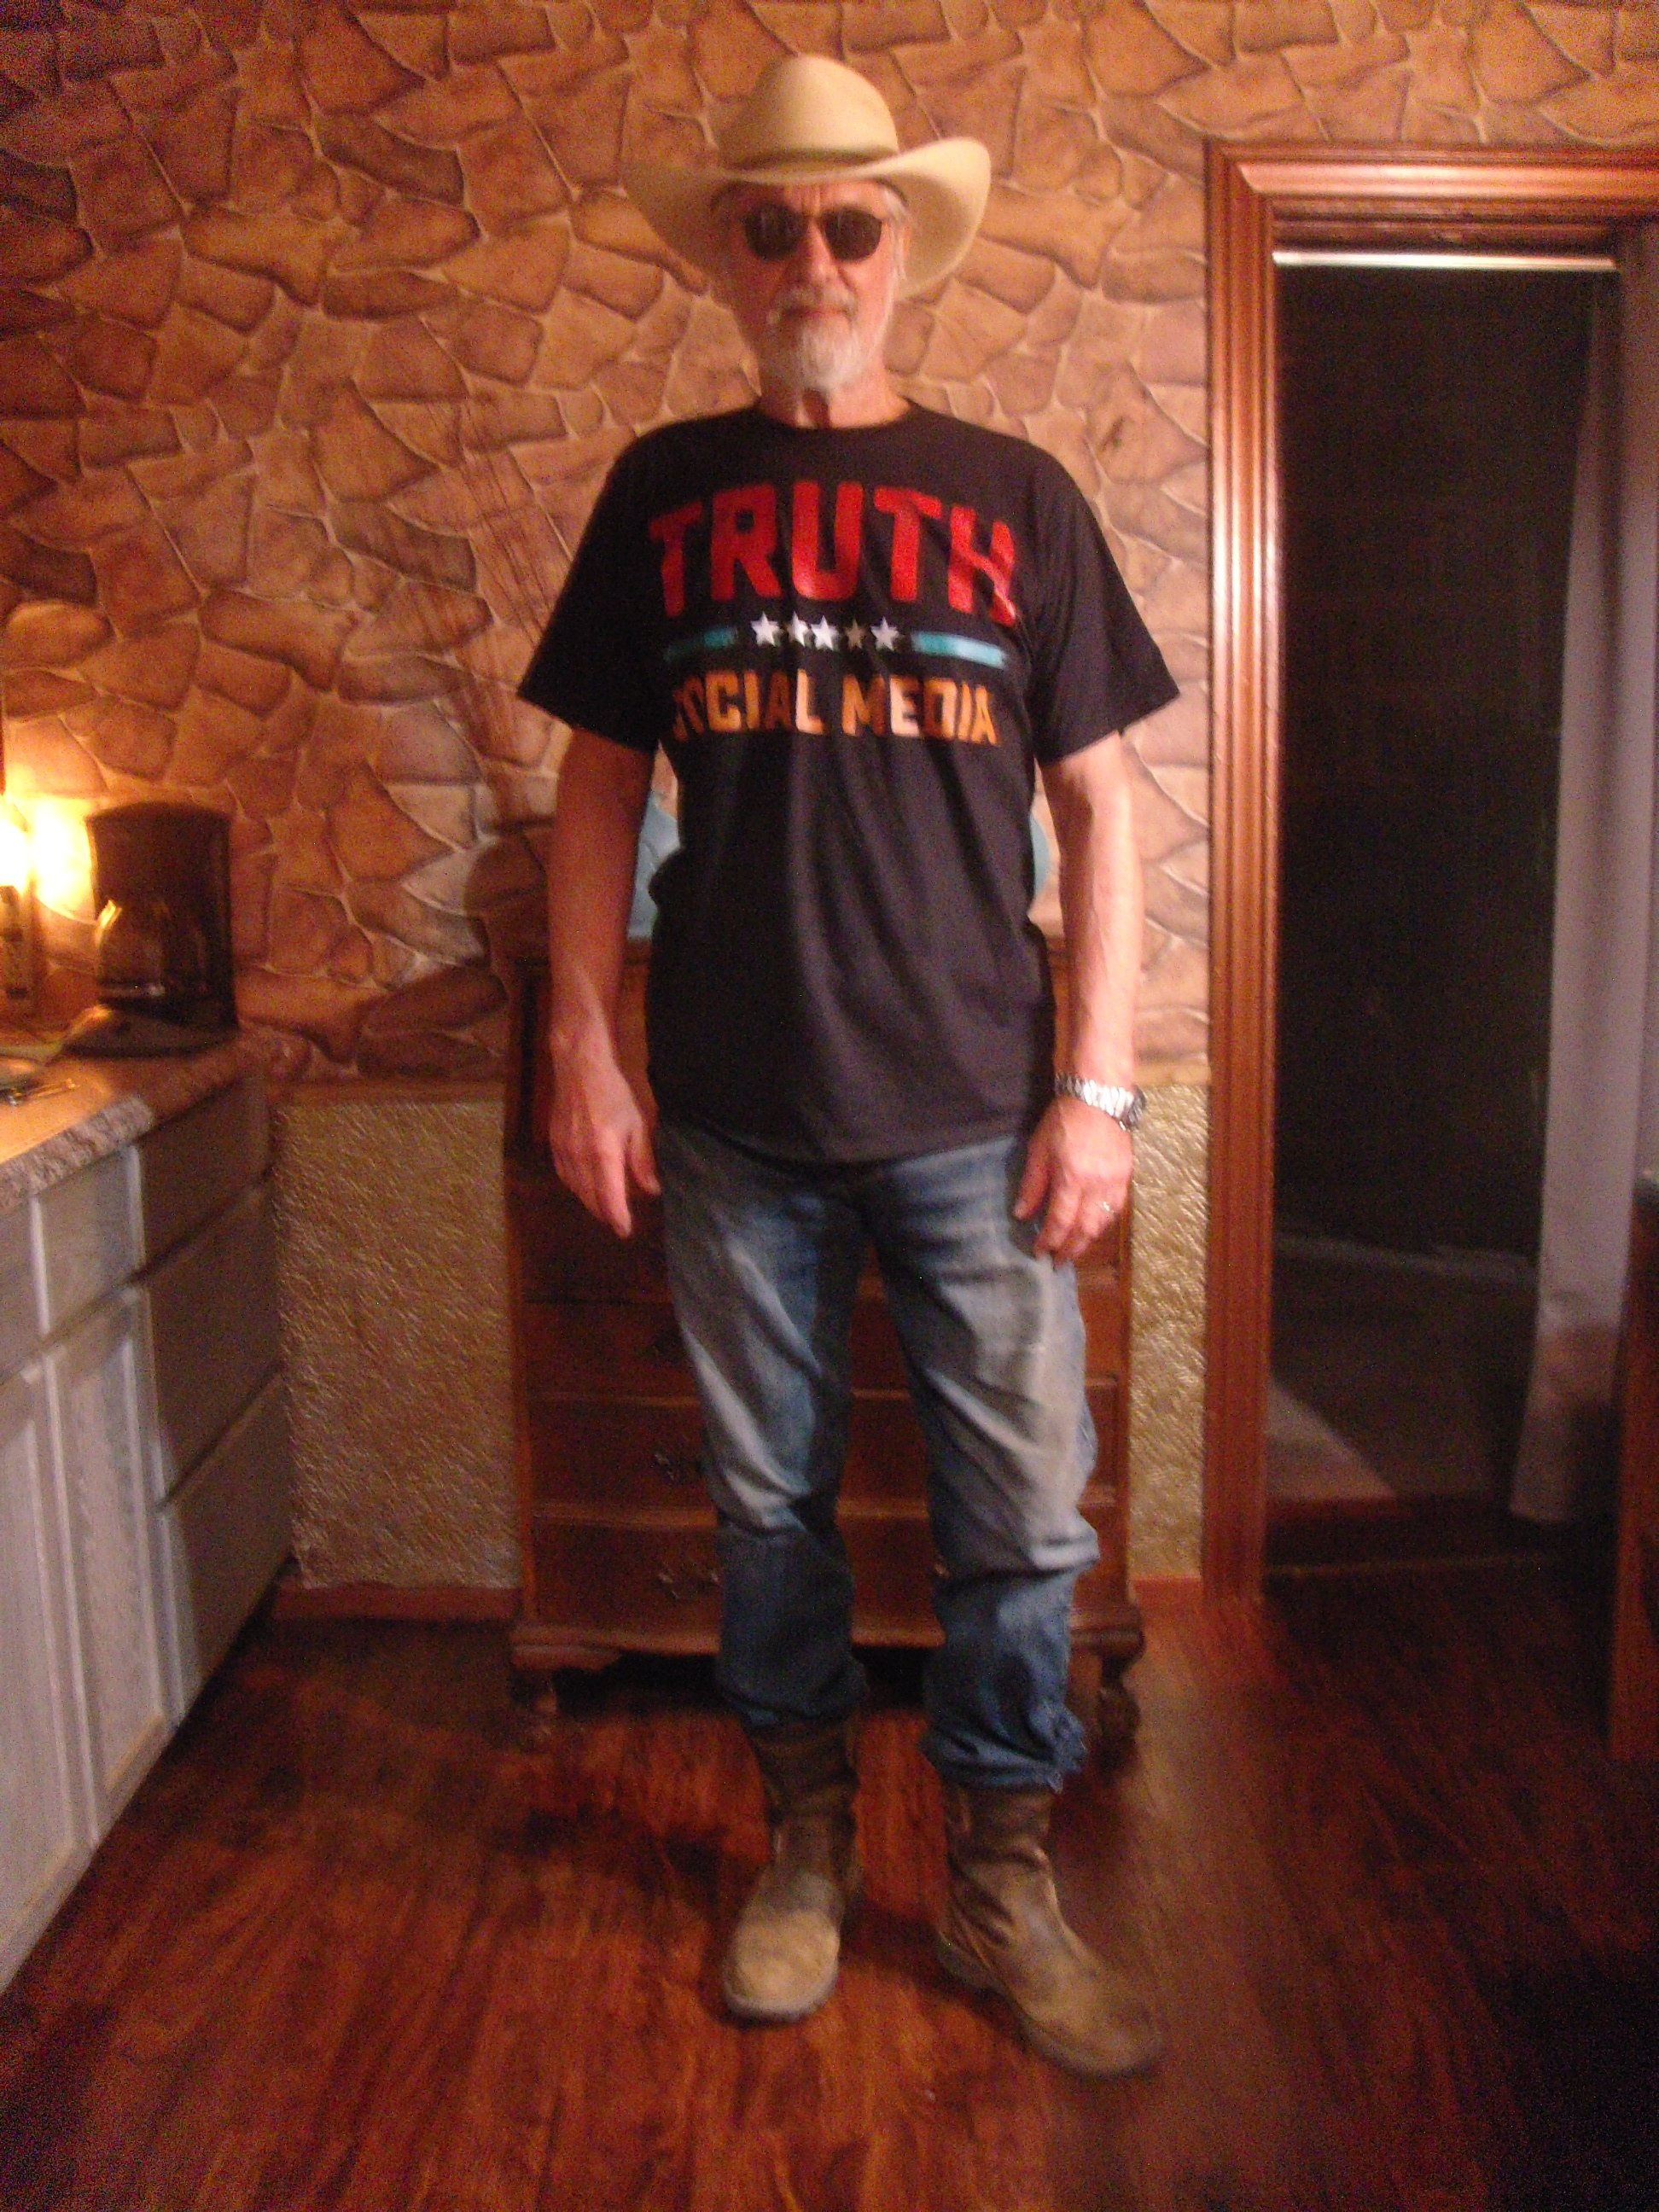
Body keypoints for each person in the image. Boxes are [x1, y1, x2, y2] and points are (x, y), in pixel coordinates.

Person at [519, 55, 1178, 2080]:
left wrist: (1103, 1091)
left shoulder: (1018, 499)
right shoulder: (663, 493)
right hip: (735, 1117)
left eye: (851, 224)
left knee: (1027, 1531)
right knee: (766, 1516)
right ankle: (805, 1852)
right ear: (731, 259)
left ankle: (1000, 1882)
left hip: (982, 1119)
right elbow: (596, 790)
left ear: (906, 255)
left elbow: (1107, 814)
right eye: (774, 224)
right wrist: (583, 1047)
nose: (814, 257)